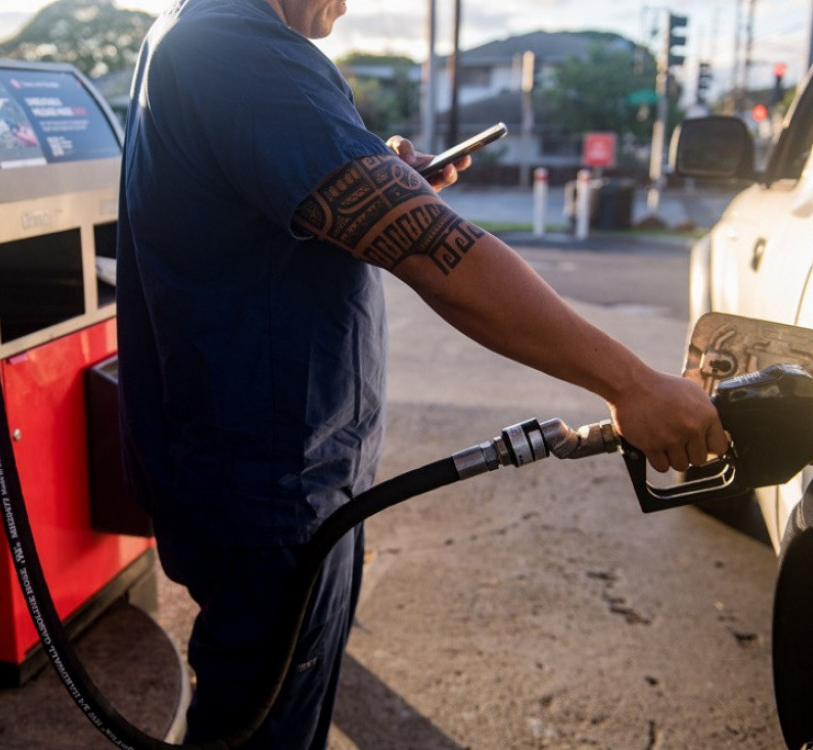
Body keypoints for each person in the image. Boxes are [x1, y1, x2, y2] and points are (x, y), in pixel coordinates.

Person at [115, 0, 729, 747]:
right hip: (269, 490)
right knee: (263, 727)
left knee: (272, 708)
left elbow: (274, 200)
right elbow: (444, 256)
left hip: (261, 474)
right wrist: (632, 385)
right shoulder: (240, 51)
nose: (348, 2)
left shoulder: (192, 32)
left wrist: (376, 171)